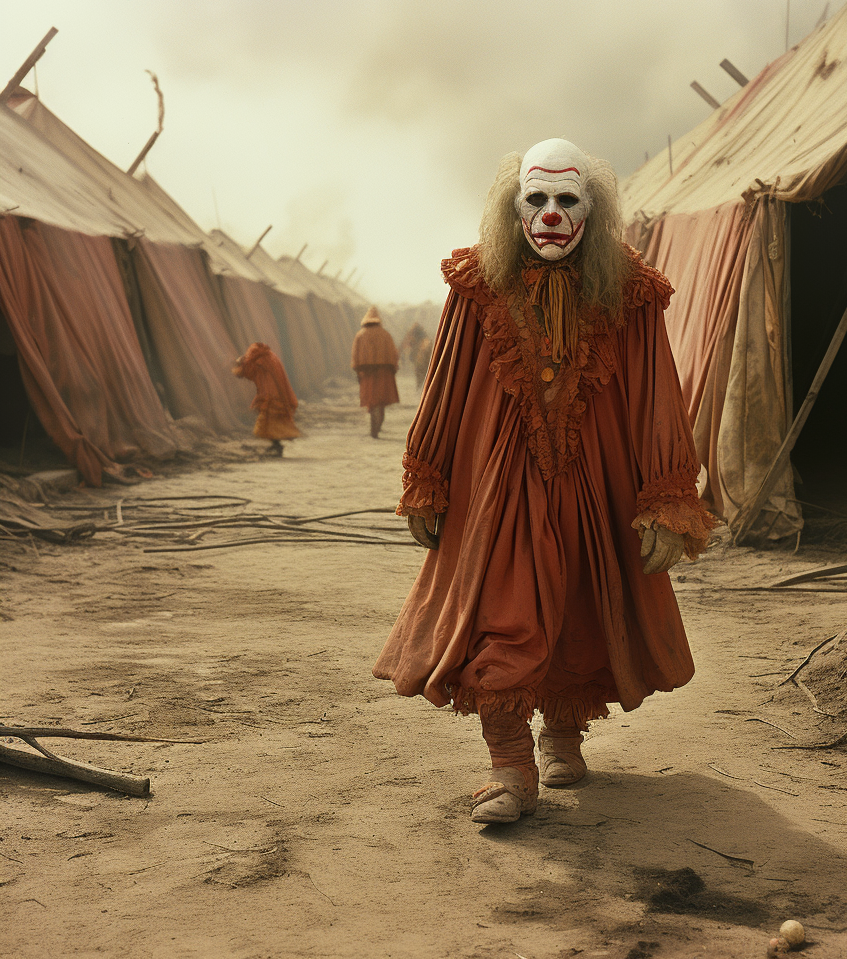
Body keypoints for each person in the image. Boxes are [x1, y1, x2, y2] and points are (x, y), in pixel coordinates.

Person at [373, 139, 715, 824]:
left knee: (584, 609)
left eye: (567, 199)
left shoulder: (632, 290)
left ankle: (562, 736)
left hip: (598, 485)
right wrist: (428, 477)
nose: (552, 214)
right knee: (502, 617)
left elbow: (657, 394)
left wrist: (668, 501)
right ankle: (509, 767)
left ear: (592, 209)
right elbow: (444, 383)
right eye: (537, 199)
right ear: (513, 207)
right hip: (498, 491)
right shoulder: (477, 284)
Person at [232, 341, 300, 457]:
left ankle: (276, 446)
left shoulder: (260, 361)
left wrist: (239, 363)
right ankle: (276, 445)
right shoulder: (271, 358)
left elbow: (246, 372)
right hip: (276, 395)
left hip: (270, 396)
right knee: (273, 422)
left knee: (268, 422)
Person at [351, 306, 400, 438]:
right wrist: (393, 368)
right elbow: (393, 354)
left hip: (367, 374)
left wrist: (357, 371)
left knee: (371, 400)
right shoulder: (386, 334)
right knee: (382, 400)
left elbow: (355, 356)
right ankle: (377, 426)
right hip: (384, 373)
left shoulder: (360, 335)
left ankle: (374, 428)